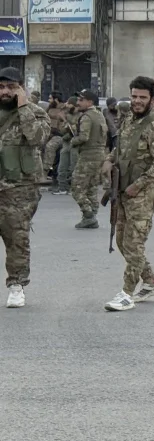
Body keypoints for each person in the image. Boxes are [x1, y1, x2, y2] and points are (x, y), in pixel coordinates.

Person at [100, 75, 154, 312]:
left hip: (141, 195)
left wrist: (138, 185)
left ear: (152, 99)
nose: (137, 101)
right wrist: (108, 160)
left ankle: (126, 293)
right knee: (122, 241)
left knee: (134, 244)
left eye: (142, 97)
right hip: (122, 191)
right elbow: (119, 149)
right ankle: (150, 282)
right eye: (134, 96)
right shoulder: (129, 119)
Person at [0, 68, 51, 308]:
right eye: (1, 87)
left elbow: (37, 138)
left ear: (22, 88)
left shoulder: (36, 113)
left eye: (11, 87)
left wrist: (23, 108)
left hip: (19, 189)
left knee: (16, 239)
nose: (5, 92)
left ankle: (17, 286)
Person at [69, 90, 109, 229]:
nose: (78, 103)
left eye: (81, 100)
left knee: (76, 187)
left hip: (88, 156)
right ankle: (92, 216)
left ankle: (88, 215)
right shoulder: (99, 115)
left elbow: (83, 137)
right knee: (91, 187)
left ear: (90, 102)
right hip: (100, 155)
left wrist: (73, 141)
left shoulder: (86, 117)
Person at [44, 94, 67, 185]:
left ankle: (45, 171)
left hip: (61, 135)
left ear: (56, 99)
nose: (49, 100)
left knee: (50, 146)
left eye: (50, 98)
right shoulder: (49, 109)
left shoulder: (65, 109)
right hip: (49, 134)